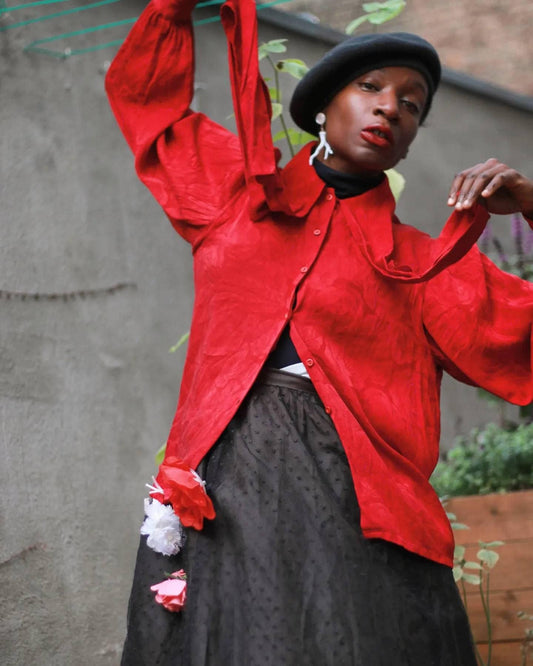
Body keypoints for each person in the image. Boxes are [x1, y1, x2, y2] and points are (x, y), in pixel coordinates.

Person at [105, 0, 533, 663]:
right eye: (370, 88)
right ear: (321, 109)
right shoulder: (232, 199)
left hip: (365, 520)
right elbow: (149, 107)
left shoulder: (424, 266)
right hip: (222, 495)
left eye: (411, 103)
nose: (390, 107)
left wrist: (532, 208)